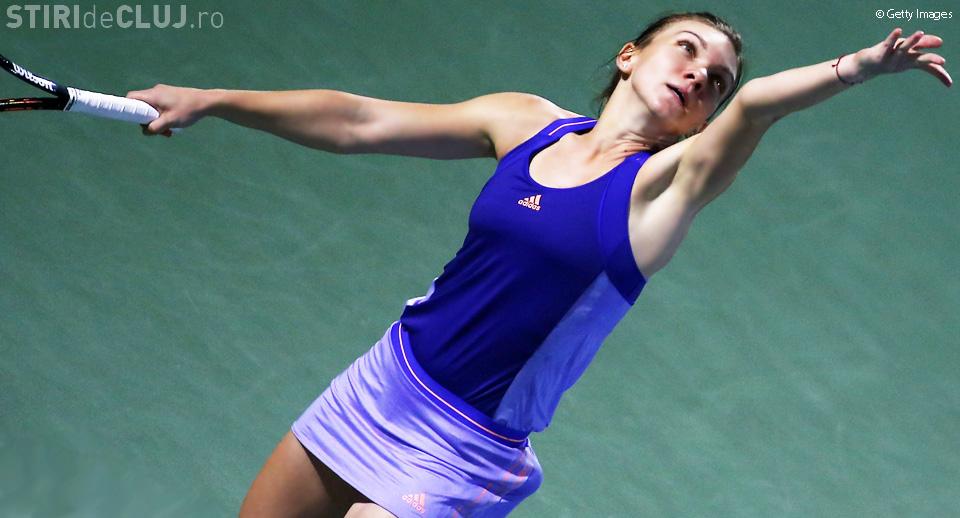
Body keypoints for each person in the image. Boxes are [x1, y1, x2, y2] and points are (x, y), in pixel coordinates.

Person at [127, 10, 951, 518]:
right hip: (383, 382)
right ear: (629, 56)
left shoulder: (662, 190)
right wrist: (215, 100)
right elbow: (360, 121)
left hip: (465, 447)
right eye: (685, 49)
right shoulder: (525, 123)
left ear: (707, 117)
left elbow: (761, 106)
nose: (700, 74)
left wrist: (860, 66)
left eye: (716, 80)